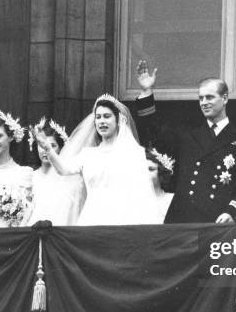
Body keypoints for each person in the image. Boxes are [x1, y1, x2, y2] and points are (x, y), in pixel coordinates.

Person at [135, 61, 236, 224]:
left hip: (219, 220)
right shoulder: (187, 137)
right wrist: (146, 92)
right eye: (201, 98)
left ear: (225, 98)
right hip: (185, 219)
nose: (204, 102)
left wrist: (232, 212)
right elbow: (156, 135)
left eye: (210, 97)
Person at [37, 94, 160, 225]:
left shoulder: (133, 153)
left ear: (118, 120)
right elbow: (64, 170)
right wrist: (48, 150)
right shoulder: (88, 154)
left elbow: (140, 197)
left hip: (121, 220)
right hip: (91, 219)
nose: (102, 121)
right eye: (98, 117)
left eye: (107, 116)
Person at [25, 118, 82, 226]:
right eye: (41, 146)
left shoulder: (69, 179)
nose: (45, 150)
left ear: (61, 148)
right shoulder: (31, 177)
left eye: (53, 145)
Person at [146, 147, 175, 223]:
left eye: (151, 169)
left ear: (161, 173)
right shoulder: (133, 202)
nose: (145, 173)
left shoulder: (172, 199)